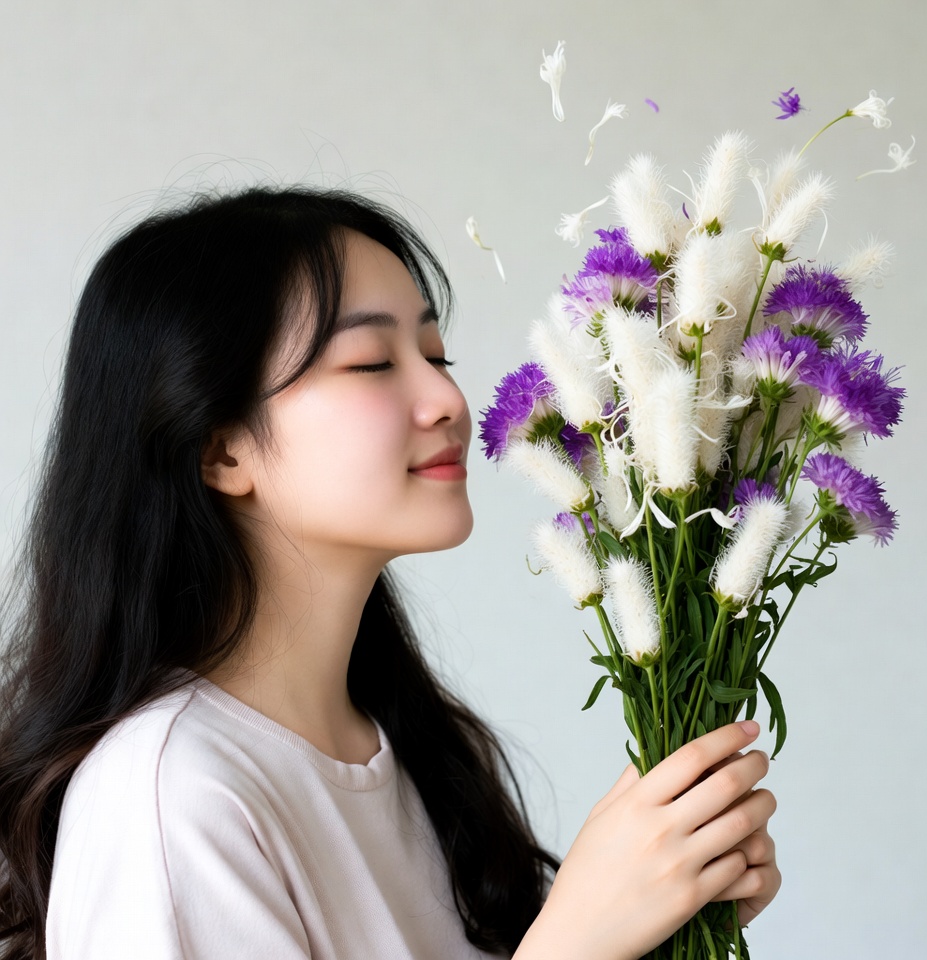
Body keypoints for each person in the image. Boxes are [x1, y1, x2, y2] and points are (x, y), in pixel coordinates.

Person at [0, 186, 779, 960]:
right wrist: (575, 943)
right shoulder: (170, 797)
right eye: (372, 362)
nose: (447, 399)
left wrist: (659, 925)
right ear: (221, 449)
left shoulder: (413, 749)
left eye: (436, 356)